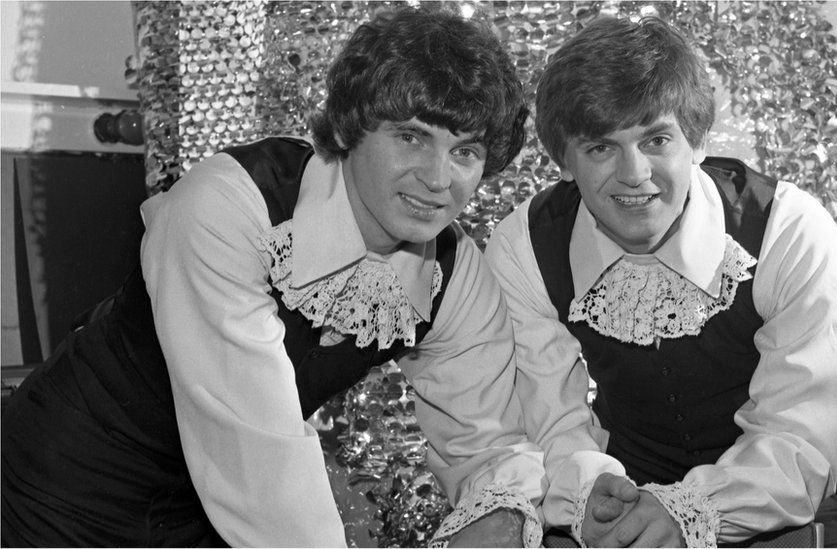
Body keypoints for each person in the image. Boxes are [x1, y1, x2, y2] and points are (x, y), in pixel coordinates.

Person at [1, 9, 547, 547]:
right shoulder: (229, 203)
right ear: (350, 126)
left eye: (465, 152)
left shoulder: (453, 271)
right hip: (61, 490)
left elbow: (486, 444)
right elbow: (256, 454)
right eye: (411, 137)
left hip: (209, 516)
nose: (437, 178)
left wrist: (501, 514)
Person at [485, 16, 837, 548]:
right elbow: (549, 418)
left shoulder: (787, 231)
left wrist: (690, 512)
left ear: (697, 140)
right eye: (601, 148)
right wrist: (592, 493)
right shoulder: (526, 246)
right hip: (622, 507)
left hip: (776, 513)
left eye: (657, 139)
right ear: (564, 160)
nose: (635, 174)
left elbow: (799, 438)